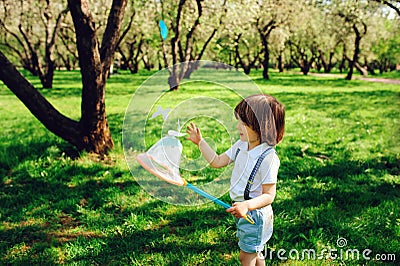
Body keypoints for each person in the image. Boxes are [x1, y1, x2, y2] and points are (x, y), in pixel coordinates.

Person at [186, 94, 285, 266]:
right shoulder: (241, 145)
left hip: (255, 215)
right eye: (238, 120)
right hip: (241, 209)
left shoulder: (267, 158)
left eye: (244, 123)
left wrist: (247, 206)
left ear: (263, 127)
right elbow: (217, 161)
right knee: (255, 251)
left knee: (246, 258)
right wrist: (200, 142)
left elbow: (269, 195)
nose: (238, 126)